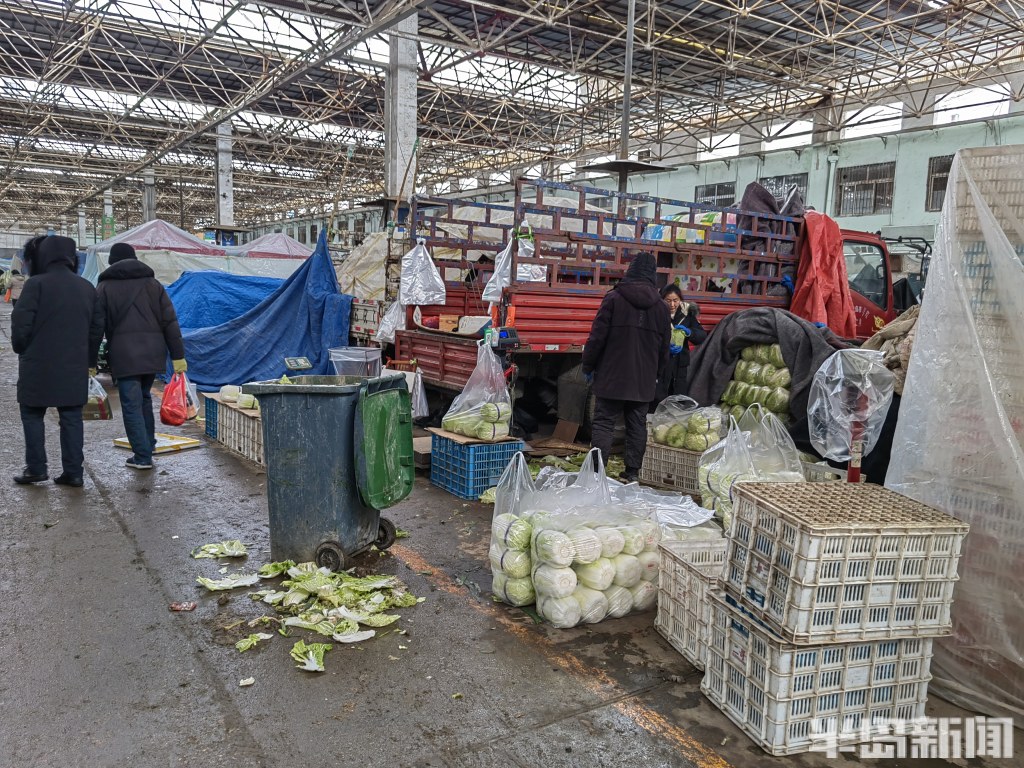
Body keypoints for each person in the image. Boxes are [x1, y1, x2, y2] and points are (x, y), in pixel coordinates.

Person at [89, 243, 187, 470]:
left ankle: (142, 456)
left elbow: (96, 328)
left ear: (112, 262)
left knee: (131, 404)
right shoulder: (154, 285)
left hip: (124, 355)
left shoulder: (104, 287)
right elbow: (169, 322)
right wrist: (178, 356)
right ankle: (148, 444)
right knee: (143, 399)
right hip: (153, 353)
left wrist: (90, 362)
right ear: (134, 258)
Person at [11, 236, 97, 487]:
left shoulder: (36, 284)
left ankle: (36, 468)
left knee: (31, 413)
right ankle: (74, 472)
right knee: (71, 417)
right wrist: (89, 359)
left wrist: (21, 349)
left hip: (38, 364)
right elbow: (96, 328)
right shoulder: (86, 287)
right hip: (74, 364)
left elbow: (20, 324)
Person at [581, 252, 670, 482]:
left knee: (603, 422)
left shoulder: (613, 298)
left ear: (630, 270)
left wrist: (588, 365)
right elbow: (664, 348)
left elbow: (597, 337)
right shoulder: (661, 307)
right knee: (637, 425)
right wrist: (657, 375)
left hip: (612, 375)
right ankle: (631, 474)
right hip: (643, 380)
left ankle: (596, 474)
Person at [654, 284, 707, 403]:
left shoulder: (687, 314)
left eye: (675, 300)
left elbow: (701, 336)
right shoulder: (655, 314)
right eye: (668, 301)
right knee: (658, 398)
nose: (672, 305)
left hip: (680, 366)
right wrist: (666, 348)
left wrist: (690, 332)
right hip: (661, 365)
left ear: (680, 300)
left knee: (678, 400)